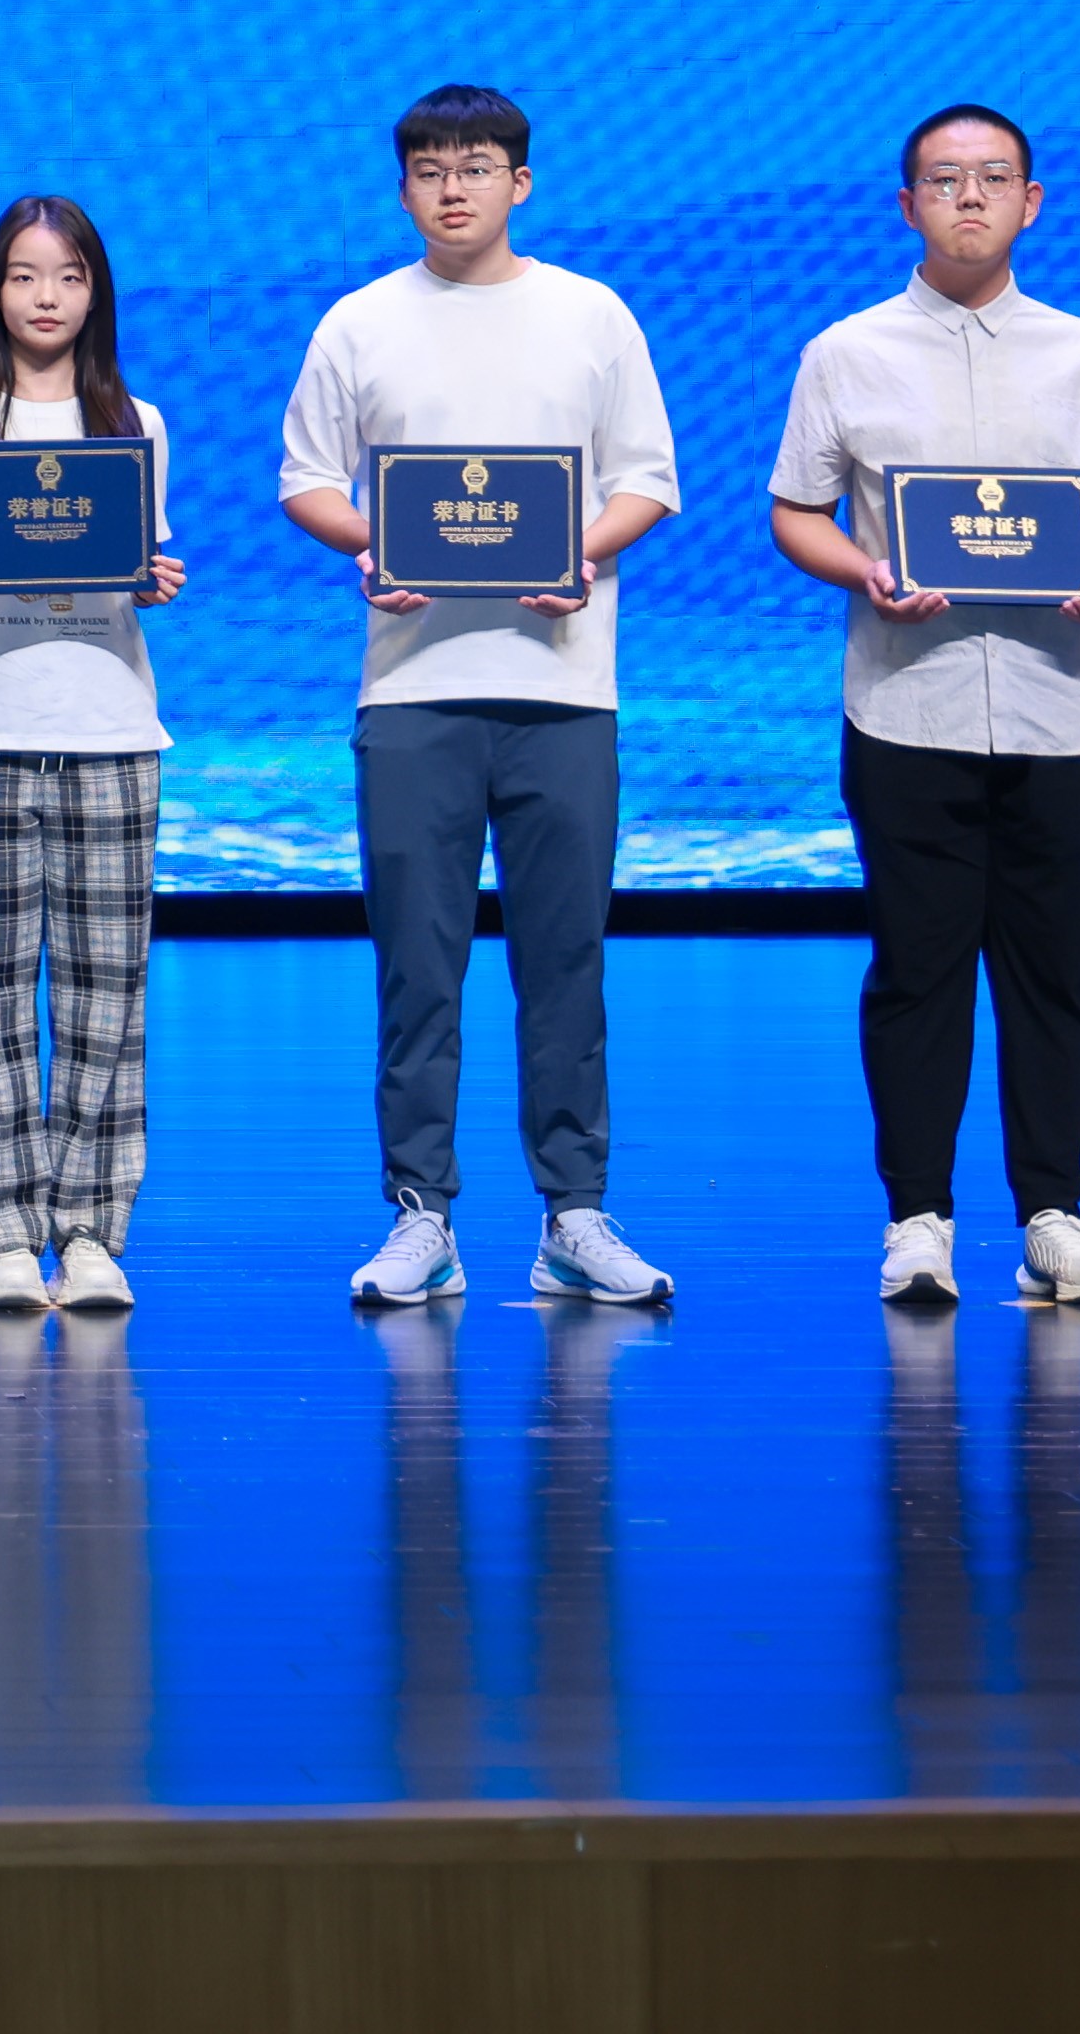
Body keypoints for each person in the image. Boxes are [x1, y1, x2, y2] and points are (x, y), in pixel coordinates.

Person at [274, 85, 684, 1310]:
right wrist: (371, 545)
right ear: (404, 188)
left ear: (522, 182)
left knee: (566, 965)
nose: (454, 188)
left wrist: (581, 555)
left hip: (565, 688)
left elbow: (646, 478)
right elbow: (306, 480)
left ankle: (575, 1214)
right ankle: (422, 1216)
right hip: (414, 691)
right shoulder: (359, 321)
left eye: (478, 166)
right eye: (431, 169)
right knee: (419, 966)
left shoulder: (591, 314)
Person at [766, 104, 1080, 1311]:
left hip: (1060, 707)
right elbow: (796, 513)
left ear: (1031, 202)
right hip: (909, 704)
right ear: (908, 206)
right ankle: (917, 1222)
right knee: (918, 972)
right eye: (944, 180)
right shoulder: (847, 351)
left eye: (994, 178)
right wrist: (867, 573)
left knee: (1056, 977)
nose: (970, 198)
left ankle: (1054, 1219)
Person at [0, 193, 189, 1319]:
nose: (46, 296)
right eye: (24, 275)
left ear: (95, 292)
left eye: (67, 276)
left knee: (109, 996)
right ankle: (7, 1240)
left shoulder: (135, 422)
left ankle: (93, 1233)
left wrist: (156, 580)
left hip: (108, 729)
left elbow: (141, 564)